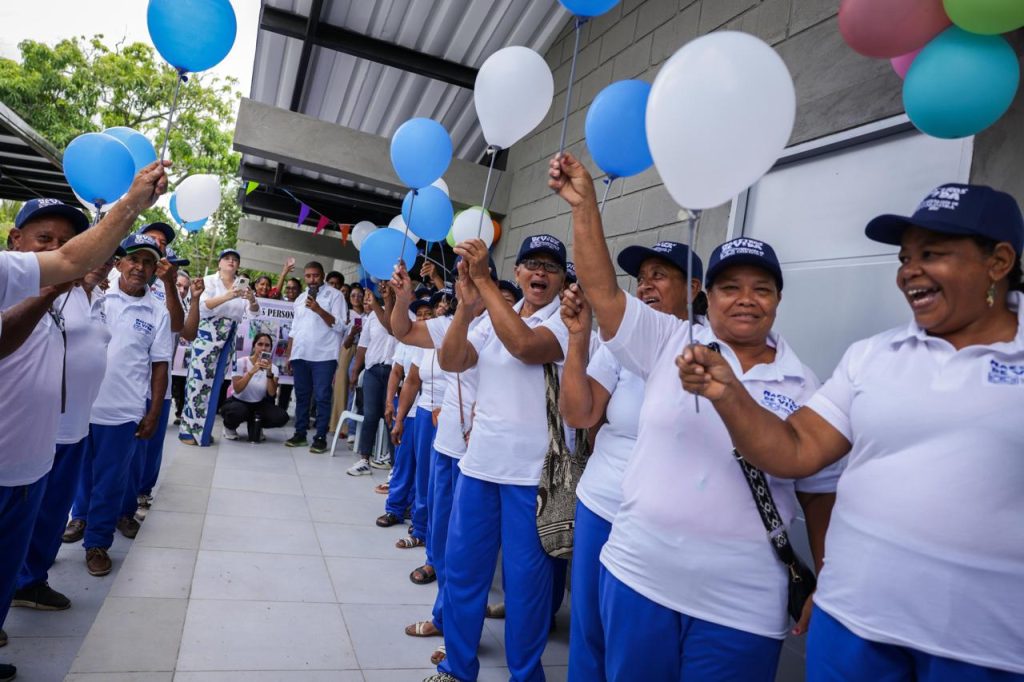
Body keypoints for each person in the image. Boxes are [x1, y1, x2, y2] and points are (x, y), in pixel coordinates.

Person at [679, 183, 1024, 681]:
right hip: (851, 626)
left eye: (932, 254)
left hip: (984, 648)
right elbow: (796, 448)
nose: (909, 271)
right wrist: (729, 394)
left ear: (999, 262)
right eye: (905, 258)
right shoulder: (873, 355)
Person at [549, 152, 837, 682]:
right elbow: (604, 292)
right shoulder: (669, 340)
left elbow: (819, 495)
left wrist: (829, 579)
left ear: (777, 299)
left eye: (761, 289)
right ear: (710, 296)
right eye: (730, 287)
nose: (745, 300)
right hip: (640, 576)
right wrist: (584, 206)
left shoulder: (804, 384)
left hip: (742, 603)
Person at [428, 234, 570, 682]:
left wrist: (485, 282)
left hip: (533, 477)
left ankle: (525, 676)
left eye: (550, 266)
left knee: (526, 587)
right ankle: (457, 668)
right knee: (464, 573)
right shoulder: (491, 318)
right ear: (518, 272)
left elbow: (526, 346)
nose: (540, 272)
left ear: (562, 278)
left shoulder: (565, 320)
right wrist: (466, 310)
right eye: (531, 264)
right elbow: (453, 361)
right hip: (479, 467)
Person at [559, 241, 703, 682]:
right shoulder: (617, 347)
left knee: (640, 646)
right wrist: (579, 339)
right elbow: (580, 414)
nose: (645, 286)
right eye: (640, 279)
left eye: (659, 275)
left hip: (663, 524)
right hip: (602, 504)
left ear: (693, 289)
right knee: (589, 629)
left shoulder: (711, 351)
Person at [12, 254, 114, 611]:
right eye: (97, 255)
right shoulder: (52, 293)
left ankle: (31, 581)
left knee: (54, 511)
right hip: (46, 426)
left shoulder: (99, 299)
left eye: (110, 258)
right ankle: (18, 581)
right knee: (26, 513)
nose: (103, 263)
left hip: (78, 425)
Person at [68, 234, 172, 577]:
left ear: (154, 270)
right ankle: (80, 518)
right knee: (80, 473)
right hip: (82, 405)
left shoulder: (157, 312)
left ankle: (97, 543)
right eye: (134, 259)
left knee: (111, 480)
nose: (139, 267)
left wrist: (154, 412)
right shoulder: (96, 297)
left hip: (124, 410)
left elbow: (160, 365)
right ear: (120, 263)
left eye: (148, 262)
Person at [179, 248, 259, 446]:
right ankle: (189, 432)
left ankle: (204, 432)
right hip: (207, 335)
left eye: (235, 259)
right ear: (219, 263)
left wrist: (251, 299)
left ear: (238, 265)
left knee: (215, 386)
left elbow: (254, 313)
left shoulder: (243, 285)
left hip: (228, 337)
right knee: (197, 383)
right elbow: (202, 306)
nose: (231, 261)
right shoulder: (208, 281)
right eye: (227, 258)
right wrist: (229, 296)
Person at [284, 261, 347, 453]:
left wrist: (319, 309)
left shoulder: (335, 296)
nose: (312, 279)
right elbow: (294, 329)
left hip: (324, 355)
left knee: (322, 397)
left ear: (323, 275)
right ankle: (300, 433)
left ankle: (320, 437)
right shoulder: (300, 298)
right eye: (308, 276)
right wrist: (289, 355)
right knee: (301, 396)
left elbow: (341, 326)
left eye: (316, 275)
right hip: (300, 354)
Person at [347, 284, 396, 476]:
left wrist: (376, 305)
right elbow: (363, 345)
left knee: (391, 417)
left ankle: (394, 465)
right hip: (373, 371)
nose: (387, 291)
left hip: (394, 373)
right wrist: (355, 371)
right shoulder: (373, 316)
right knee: (370, 416)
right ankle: (364, 459)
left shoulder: (407, 314)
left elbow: (391, 328)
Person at [221, 332, 290, 441]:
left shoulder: (274, 368)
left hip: (258, 404)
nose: (263, 348)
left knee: (282, 417)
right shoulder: (241, 362)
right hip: (238, 402)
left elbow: (272, 393)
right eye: (260, 344)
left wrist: (269, 373)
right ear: (254, 346)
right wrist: (251, 372)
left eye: (267, 345)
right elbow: (237, 389)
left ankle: (256, 423)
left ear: (270, 349)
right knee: (238, 411)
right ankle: (229, 427)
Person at [329, 283, 365, 436]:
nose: (356, 298)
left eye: (360, 295)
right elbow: (344, 340)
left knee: (355, 387)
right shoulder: (346, 314)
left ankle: (352, 426)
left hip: (364, 350)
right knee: (342, 386)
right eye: (353, 295)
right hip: (347, 349)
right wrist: (353, 333)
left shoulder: (369, 314)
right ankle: (339, 425)